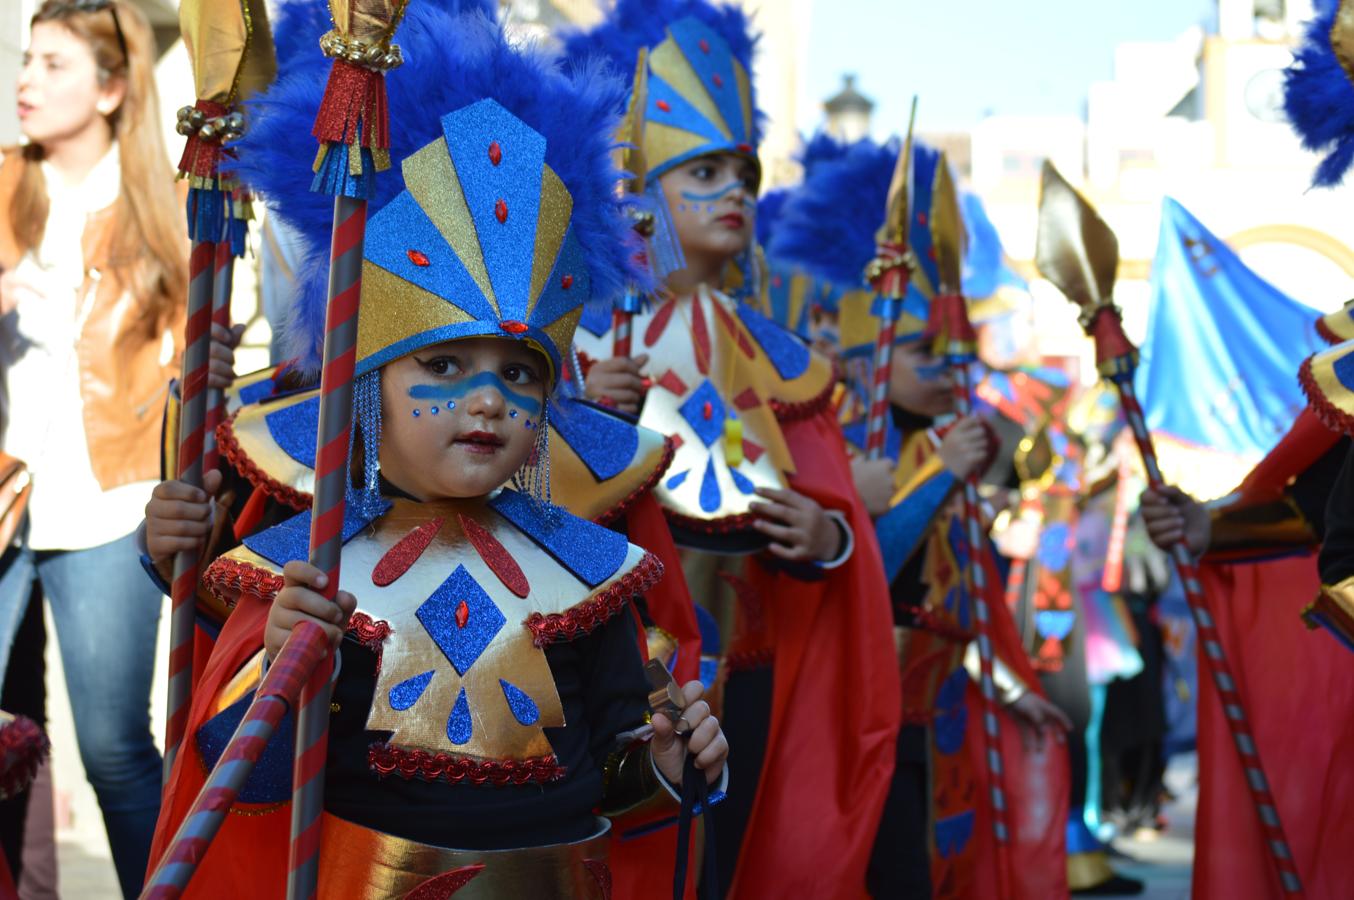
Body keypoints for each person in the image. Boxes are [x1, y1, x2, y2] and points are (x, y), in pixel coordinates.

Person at [147, 5, 728, 896]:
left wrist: (669, 764)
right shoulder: (313, 569)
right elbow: (242, 793)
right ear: (368, 378)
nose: (487, 396)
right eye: (446, 363)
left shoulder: (594, 574)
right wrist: (281, 670)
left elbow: (614, 782)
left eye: (519, 373)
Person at [564, 4, 900, 896]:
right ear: (639, 191)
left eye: (743, 174)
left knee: (741, 864)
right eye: (705, 172)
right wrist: (575, 420)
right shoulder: (569, 343)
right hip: (615, 668)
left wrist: (827, 540)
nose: (737, 192)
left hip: (752, 672)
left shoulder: (785, 362)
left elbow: (834, 517)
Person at [767, 133, 1072, 899]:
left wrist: (1012, 688)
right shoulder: (840, 448)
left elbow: (968, 597)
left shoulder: (944, 444)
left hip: (939, 725)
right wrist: (941, 478)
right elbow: (865, 570)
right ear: (875, 353)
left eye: (955, 351)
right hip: (856, 715)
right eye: (925, 351)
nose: (949, 369)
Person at [0, 3, 214, 894]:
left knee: (115, 750)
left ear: (113, 85)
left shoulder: (159, 201)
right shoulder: (4, 184)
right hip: (8, 499)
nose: (26, 80)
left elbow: (199, 352)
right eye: (26, 59)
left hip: (107, 509)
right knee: (8, 735)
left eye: (53, 64)